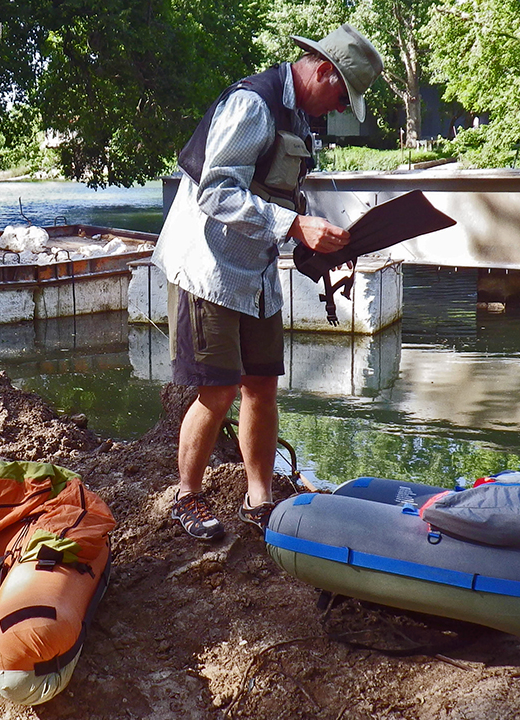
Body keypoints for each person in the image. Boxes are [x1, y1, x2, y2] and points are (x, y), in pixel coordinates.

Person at [150, 25, 383, 541]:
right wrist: (293, 226)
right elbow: (215, 192)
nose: (338, 109)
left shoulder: (297, 113)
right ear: (324, 71)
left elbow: (279, 191)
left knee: (261, 384)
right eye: (342, 97)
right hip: (207, 268)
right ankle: (186, 498)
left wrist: (313, 241)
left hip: (253, 270)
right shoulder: (252, 103)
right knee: (217, 387)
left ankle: (261, 500)